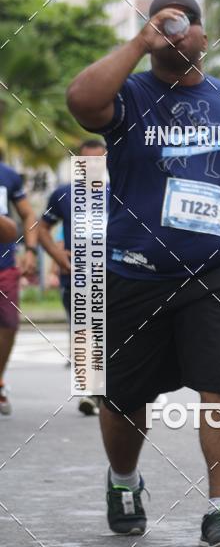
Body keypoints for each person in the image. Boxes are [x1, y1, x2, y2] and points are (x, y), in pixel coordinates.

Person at [66, 0, 220, 547]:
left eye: (186, 21)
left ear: (204, 34)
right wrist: (140, 41)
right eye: (162, 23)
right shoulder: (127, 97)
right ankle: (124, 482)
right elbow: (80, 101)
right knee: (124, 400)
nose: (176, 31)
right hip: (134, 274)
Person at [38, 138, 107, 416]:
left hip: (115, 276)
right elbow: (41, 228)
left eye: (97, 161)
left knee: (110, 335)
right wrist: (57, 256)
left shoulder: (121, 192)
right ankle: (91, 391)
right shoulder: (64, 195)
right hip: (76, 278)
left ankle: (103, 389)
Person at [0, 154, 38, 415]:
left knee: (9, 323)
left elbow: (27, 215)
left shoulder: (8, 175)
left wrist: (31, 250)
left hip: (5, 264)